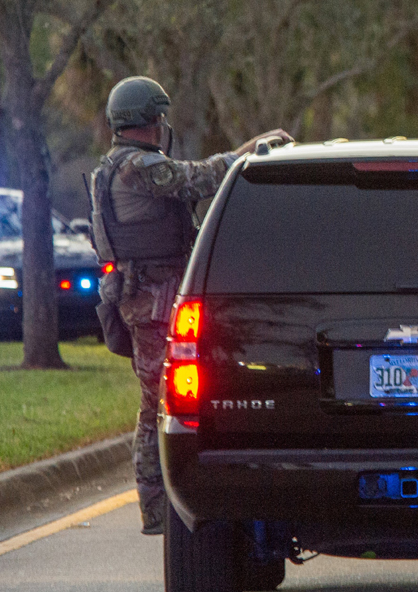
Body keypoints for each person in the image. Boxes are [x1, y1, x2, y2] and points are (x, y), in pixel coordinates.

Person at [88, 76, 292, 535]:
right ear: (152, 120)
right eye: (159, 117)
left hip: (151, 298)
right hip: (153, 302)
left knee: (163, 403)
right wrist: (248, 151)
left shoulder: (121, 165)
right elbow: (195, 178)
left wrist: (244, 149)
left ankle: (167, 507)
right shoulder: (138, 167)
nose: (163, 125)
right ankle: (160, 511)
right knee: (157, 406)